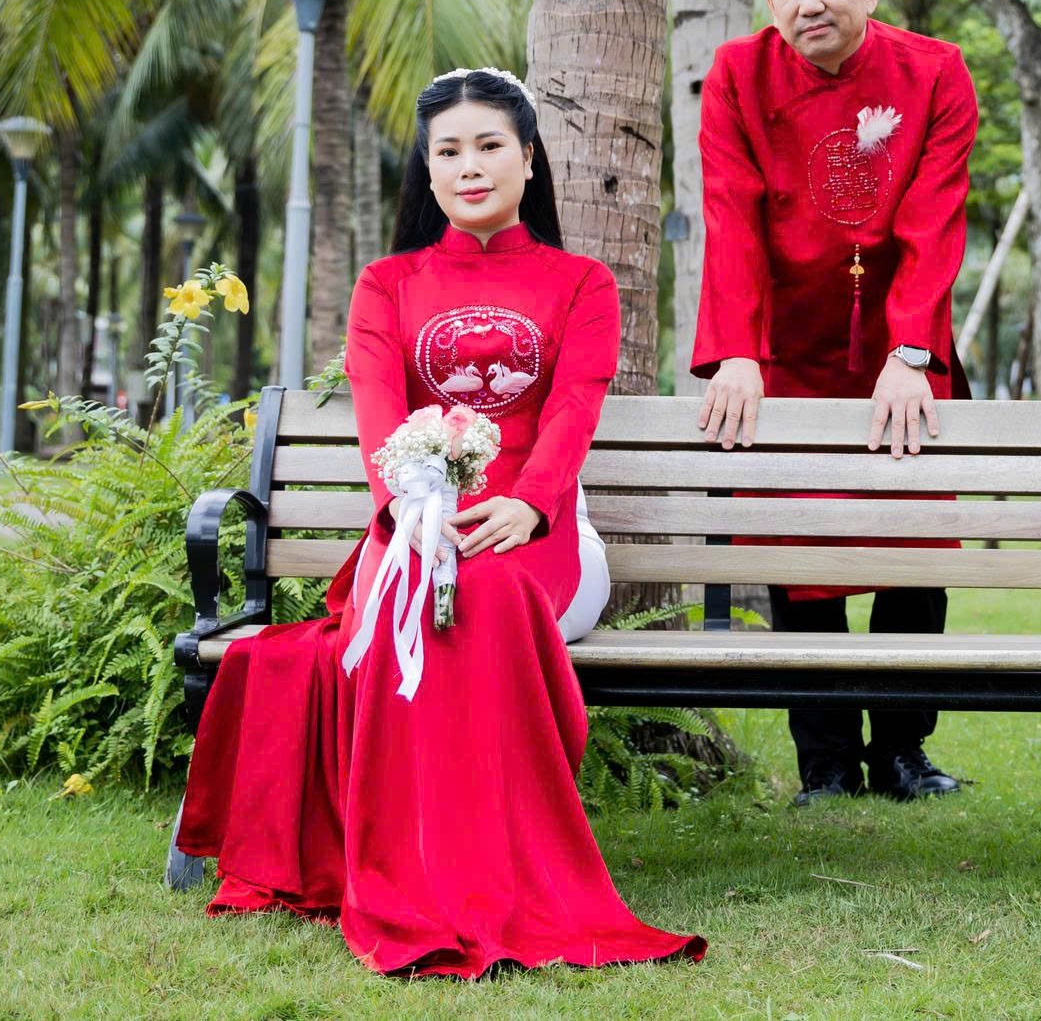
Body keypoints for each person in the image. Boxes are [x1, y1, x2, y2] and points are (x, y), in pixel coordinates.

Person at [176, 67, 703, 978]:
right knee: (424, 595)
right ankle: (419, 865)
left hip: (543, 536)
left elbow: (574, 407)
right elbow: (380, 411)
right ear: (427, 170)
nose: (469, 166)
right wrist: (407, 514)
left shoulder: (581, 283)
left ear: (529, 159)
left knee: (486, 596)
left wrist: (528, 502)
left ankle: (482, 871)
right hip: (415, 528)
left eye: (490, 145)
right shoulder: (387, 284)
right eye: (448, 151)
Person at [690, 0, 979, 807]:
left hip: (902, 347)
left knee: (912, 548)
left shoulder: (936, 72)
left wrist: (911, 349)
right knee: (801, 555)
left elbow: (935, 215)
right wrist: (738, 351)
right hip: (783, 350)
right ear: (770, 0)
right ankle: (825, 762)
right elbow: (730, 214)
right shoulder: (736, 75)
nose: (808, 1)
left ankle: (902, 750)